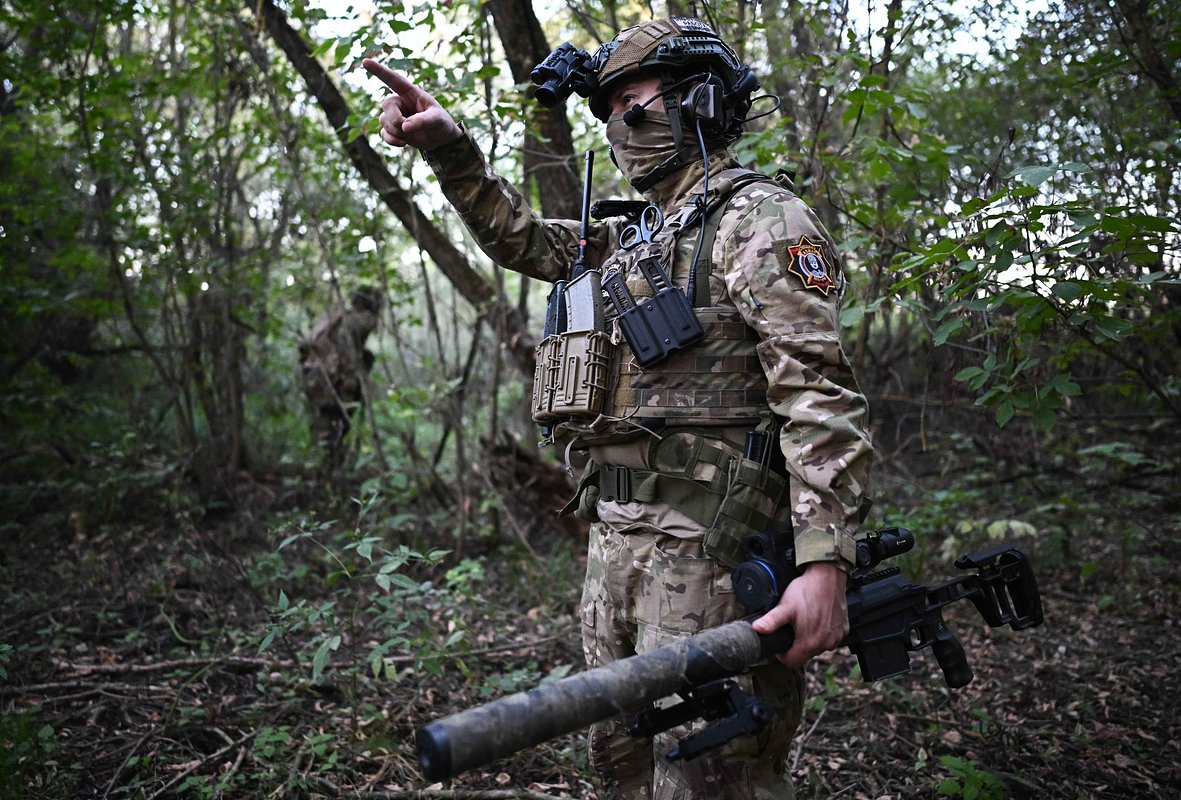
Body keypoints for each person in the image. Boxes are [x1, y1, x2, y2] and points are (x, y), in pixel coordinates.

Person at [364, 16, 873, 800]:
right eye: (605, 114)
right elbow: (523, 239)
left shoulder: (761, 221)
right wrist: (448, 147)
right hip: (616, 550)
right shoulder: (631, 240)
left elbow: (817, 393)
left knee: (709, 774)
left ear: (698, 103)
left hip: (712, 555)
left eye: (631, 105)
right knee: (620, 761)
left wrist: (823, 559)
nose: (618, 127)